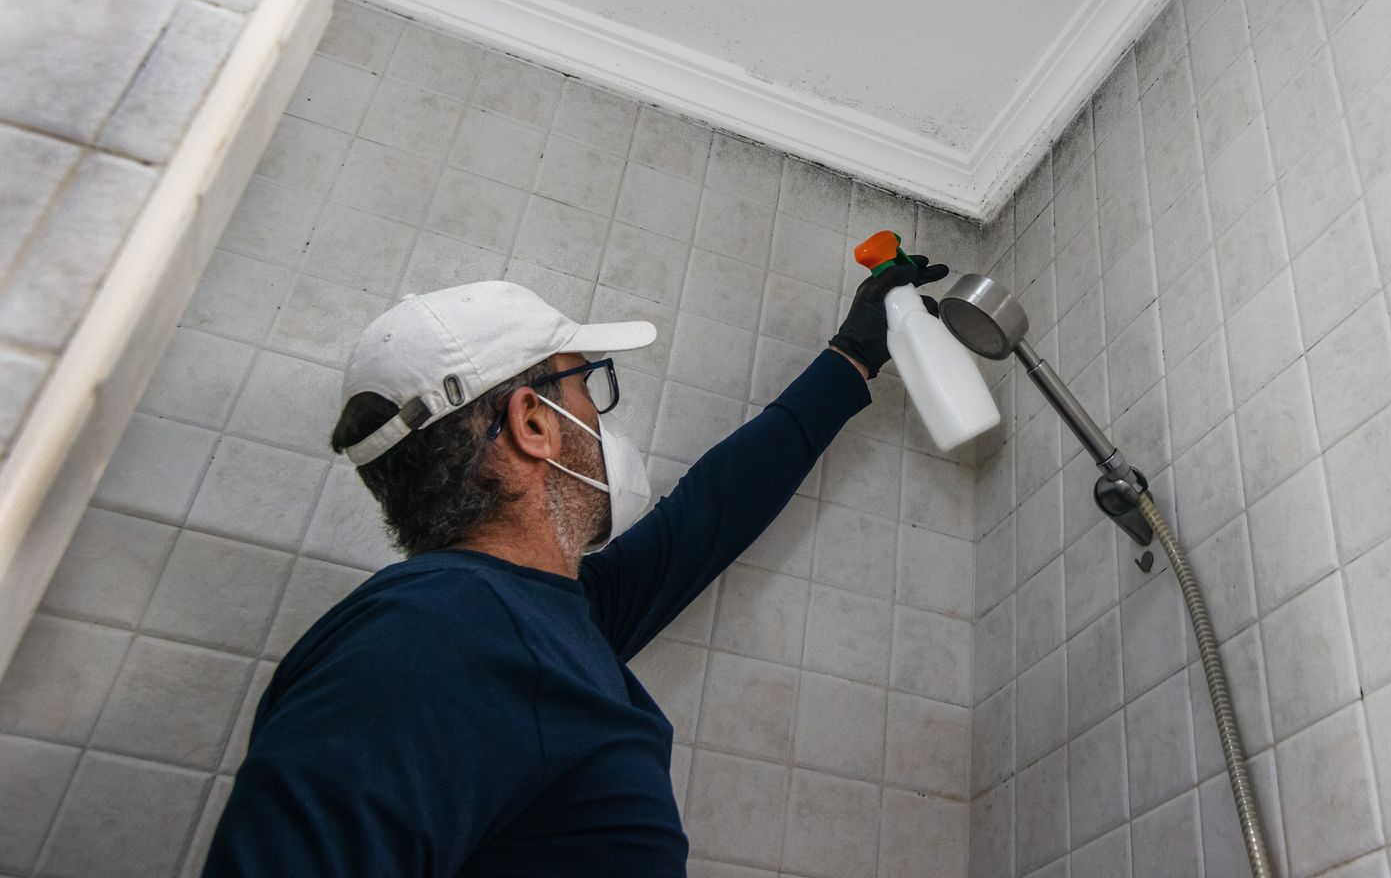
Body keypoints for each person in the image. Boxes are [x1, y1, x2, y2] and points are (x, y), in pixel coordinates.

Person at [201, 253, 948, 877]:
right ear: (532, 423)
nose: (598, 415)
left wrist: (853, 354)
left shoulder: (544, 623)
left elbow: (710, 514)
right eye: (585, 386)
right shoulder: (435, 636)